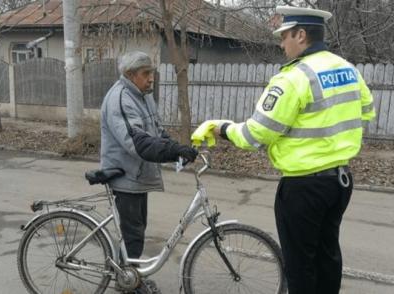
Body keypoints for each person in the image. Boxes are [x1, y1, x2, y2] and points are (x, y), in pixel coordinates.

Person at [191, 6, 375, 294]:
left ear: (301, 35)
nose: (281, 43)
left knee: (300, 265)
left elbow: (256, 134)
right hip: (340, 182)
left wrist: (222, 128)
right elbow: (366, 112)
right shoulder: (347, 69)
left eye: (284, 35)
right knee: (328, 258)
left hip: (304, 187)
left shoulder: (294, 78)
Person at [100, 51, 198, 293]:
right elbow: (138, 142)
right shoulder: (120, 99)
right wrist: (173, 151)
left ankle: (130, 275)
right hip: (124, 175)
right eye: (146, 74)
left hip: (138, 174)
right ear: (131, 75)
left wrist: (177, 148)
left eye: (152, 73)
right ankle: (128, 283)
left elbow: (157, 133)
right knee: (133, 233)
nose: (151, 79)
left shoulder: (143, 96)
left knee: (136, 229)